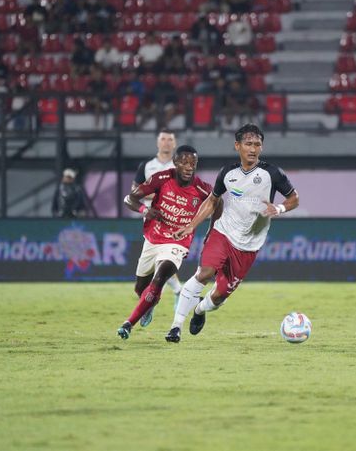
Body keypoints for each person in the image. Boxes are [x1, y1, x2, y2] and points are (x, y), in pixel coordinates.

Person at [165, 123, 299, 343]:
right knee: (205, 273)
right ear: (237, 146)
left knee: (218, 296)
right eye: (248, 143)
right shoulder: (228, 174)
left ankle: (199, 310)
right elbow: (212, 201)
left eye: (257, 144)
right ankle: (175, 326)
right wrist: (191, 225)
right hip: (223, 233)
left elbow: (294, 198)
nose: (253, 148)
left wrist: (280, 208)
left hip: (248, 247)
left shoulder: (272, 173)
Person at [117, 145, 217, 340]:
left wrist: (212, 229)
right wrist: (145, 211)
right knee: (140, 288)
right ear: (175, 163)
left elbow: (218, 203)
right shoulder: (161, 179)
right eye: (184, 163)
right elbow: (130, 199)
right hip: (153, 238)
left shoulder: (202, 189)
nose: (189, 167)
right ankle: (150, 303)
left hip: (177, 242)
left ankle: (128, 323)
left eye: (193, 164)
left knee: (161, 276)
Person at [130, 129, 186, 324]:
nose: (166, 142)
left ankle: (162, 297)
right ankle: (172, 292)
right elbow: (133, 192)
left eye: (170, 139)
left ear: (175, 143)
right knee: (153, 267)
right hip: (152, 219)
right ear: (157, 143)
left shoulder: (179, 166)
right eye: (163, 139)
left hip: (174, 220)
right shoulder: (147, 166)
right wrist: (157, 197)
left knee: (164, 260)